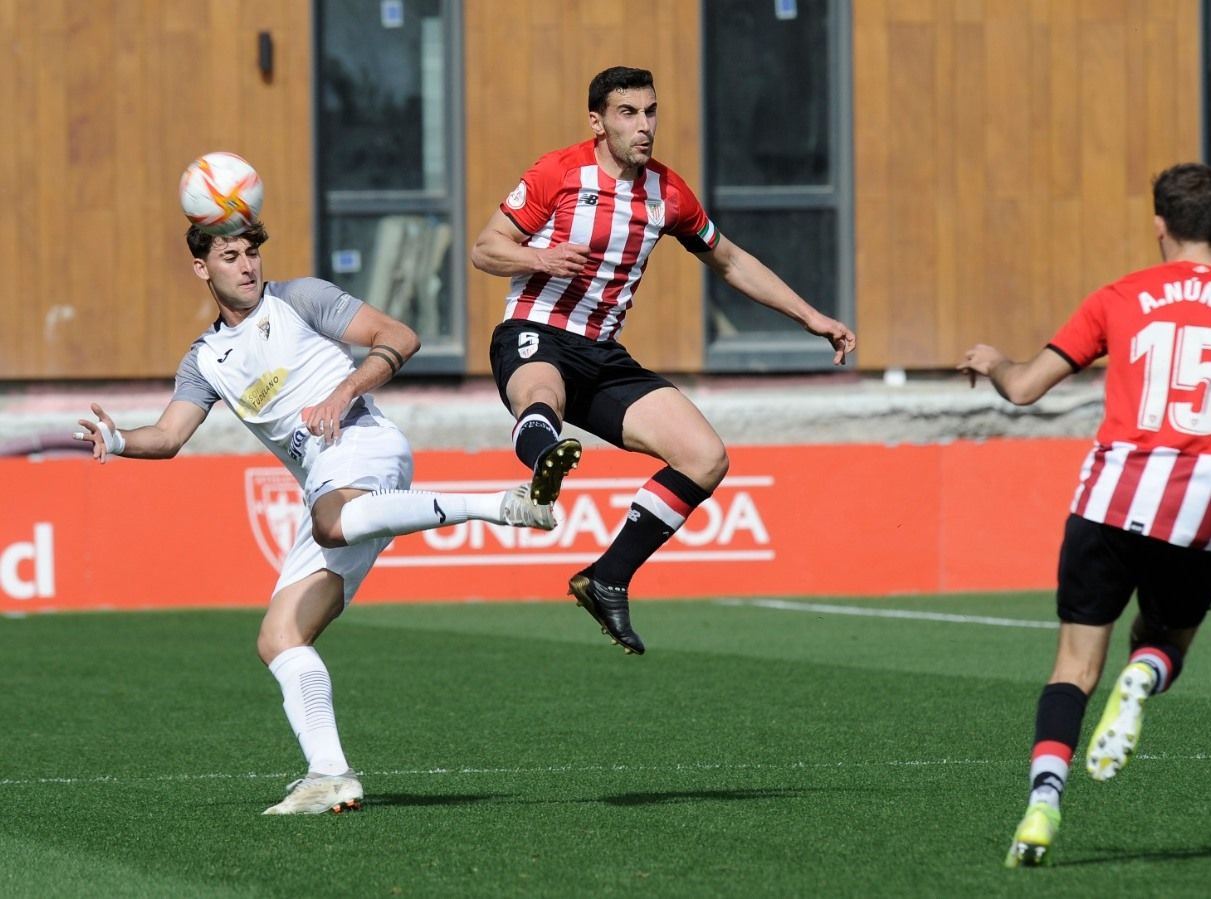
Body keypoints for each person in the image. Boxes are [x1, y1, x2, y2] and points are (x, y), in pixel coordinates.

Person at [74, 221, 556, 815]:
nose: (247, 266)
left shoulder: (300, 298)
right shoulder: (206, 360)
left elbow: (400, 336)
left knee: (333, 521)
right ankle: (329, 774)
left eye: (252, 253)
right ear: (203, 269)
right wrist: (119, 439)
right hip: (327, 485)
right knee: (280, 638)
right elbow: (170, 435)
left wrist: (344, 391)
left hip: (365, 445)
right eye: (230, 257)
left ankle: (499, 504)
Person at [957, 162, 1211, 867]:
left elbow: (1025, 388)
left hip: (1108, 502)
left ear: (1159, 225)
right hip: (1197, 512)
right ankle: (1144, 676)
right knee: (1166, 640)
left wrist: (995, 360)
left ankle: (1043, 803)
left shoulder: (1120, 297)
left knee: (1073, 668)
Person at [470, 66, 856, 656]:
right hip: (536, 331)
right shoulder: (558, 172)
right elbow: (486, 248)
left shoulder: (668, 192)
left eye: (651, 112)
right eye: (628, 113)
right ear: (597, 122)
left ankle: (608, 577)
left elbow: (729, 261)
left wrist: (811, 317)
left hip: (602, 355)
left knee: (705, 457)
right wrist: (544, 258)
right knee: (540, 398)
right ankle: (544, 466)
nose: (644, 125)